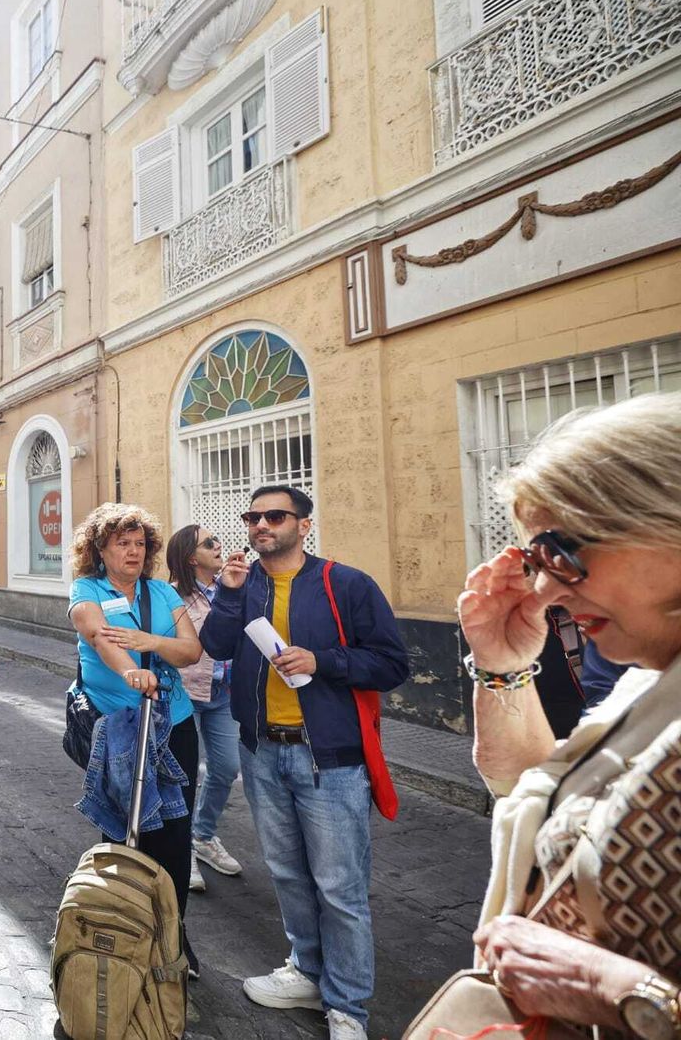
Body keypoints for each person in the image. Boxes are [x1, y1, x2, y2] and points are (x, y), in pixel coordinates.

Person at [452, 393, 681, 1036]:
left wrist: (615, 990)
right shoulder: (649, 682)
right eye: (533, 563)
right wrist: (502, 666)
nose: (546, 590)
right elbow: (532, 786)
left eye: (560, 550)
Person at [201, 485, 408, 1040]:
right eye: (253, 517)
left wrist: (325, 661)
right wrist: (226, 593)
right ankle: (306, 971)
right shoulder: (245, 585)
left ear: (304, 525)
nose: (260, 525)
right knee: (289, 874)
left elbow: (392, 664)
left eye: (274, 516)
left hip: (331, 759)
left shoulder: (346, 583)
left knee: (340, 887)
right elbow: (216, 648)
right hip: (263, 751)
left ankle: (347, 1006)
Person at [68, 504, 204, 971]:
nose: (132, 551)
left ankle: (173, 934)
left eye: (139, 544)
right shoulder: (87, 590)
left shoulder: (163, 592)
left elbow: (191, 651)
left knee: (173, 832)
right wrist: (132, 673)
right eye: (121, 543)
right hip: (120, 728)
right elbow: (98, 636)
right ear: (100, 549)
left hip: (174, 723)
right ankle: (118, 929)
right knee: (121, 829)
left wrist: (150, 645)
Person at [165, 524, 243, 893]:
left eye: (218, 540)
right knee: (184, 774)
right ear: (190, 556)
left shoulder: (232, 588)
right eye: (209, 543)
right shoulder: (172, 597)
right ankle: (182, 852)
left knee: (226, 768)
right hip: (186, 693)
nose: (219, 546)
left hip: (224, 693)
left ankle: (203, 836)